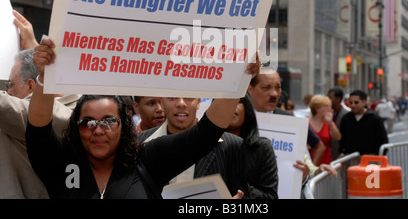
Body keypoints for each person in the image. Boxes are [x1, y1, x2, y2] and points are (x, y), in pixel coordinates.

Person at [26, 37, 258, 199]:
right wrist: (46, 77)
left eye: (108, 121)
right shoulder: (60, 163)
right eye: (88, 122)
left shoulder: (147, 159)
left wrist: (238, 80)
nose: (98, 130)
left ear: (124, 125)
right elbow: (38, 128)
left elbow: (207, 133)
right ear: (77, 127)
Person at [0, 13, 80, 199]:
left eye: (10, 85)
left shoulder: (70, 113)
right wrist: (35, 48)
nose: (8, 92)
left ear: (30, 85)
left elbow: (14, 108)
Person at [138, 96, 248, 198]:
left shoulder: (231, 145)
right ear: (162, 102)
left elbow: (241, 194)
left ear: (199, 101)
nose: (181, 103)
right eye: (173, 98)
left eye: (189, 98)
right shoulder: (138, 143)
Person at [247, 67, 326, 181]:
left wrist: (315, 171)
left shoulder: (289, 120)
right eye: (266, 88)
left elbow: (304, 161)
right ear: (250, 89)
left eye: (278, 88)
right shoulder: (239, 118)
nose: (274, 94)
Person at [226, 95, 278, 199]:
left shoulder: (262, 148)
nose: (232, 106)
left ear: (247, 109)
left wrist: (238, 184)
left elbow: (270, 196)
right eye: (225, 102)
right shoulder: (208, 146)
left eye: (238, 101)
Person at [338, 90, 388, 156]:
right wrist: (342, 151)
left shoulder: (374, 118)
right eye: (350, 102)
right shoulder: (346, 118)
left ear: (364, 102)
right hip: (350, 157)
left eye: (356, 102)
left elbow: (383, 139)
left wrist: (379, 155)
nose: (353, 105)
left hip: (370, 158)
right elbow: (342, 138)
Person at [308, 94, 341, 165]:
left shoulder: (328, 123)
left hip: (326, 161)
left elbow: (337, 137)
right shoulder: (306, 121)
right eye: (326, 106)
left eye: (330, 106)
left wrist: (330, 123)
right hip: (309, 160)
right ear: (317, 108)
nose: (330, 108)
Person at [327, 87, 350, 160]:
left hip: (339, 153)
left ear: (338, 99)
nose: (328, 100)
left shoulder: (347, 114)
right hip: (327, 152)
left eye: (330, 98)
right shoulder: (326, 112)